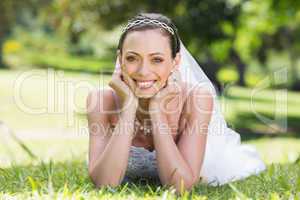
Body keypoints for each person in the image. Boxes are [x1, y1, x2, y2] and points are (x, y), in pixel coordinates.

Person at [86, 13, 266, 194]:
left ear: (175, 62)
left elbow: (180, 186)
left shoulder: (196, 100)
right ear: (120, 59)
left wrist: (156, 111)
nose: (143, 71)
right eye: (132, 58)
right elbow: (104, 183)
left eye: (157, 59)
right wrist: (128, 108)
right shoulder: (100, 101)